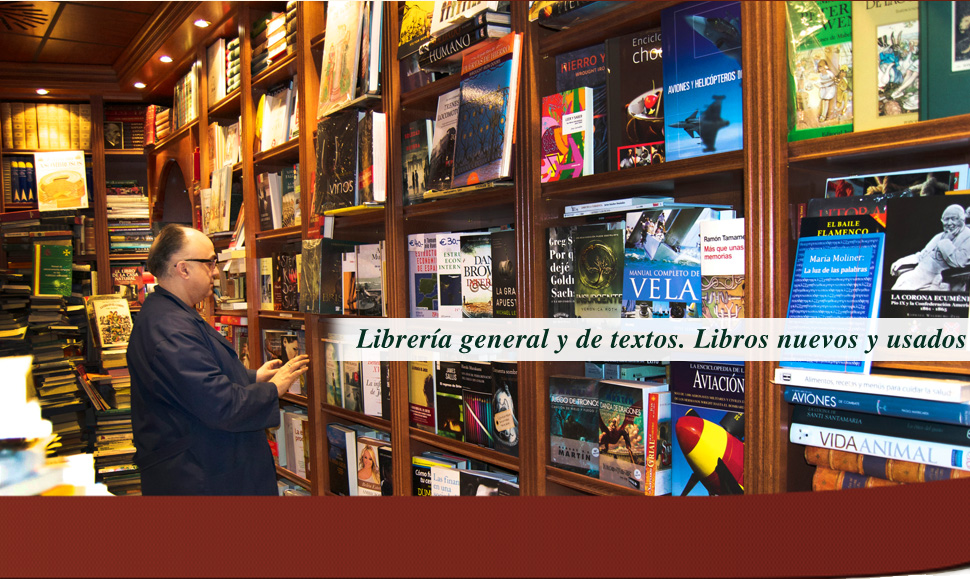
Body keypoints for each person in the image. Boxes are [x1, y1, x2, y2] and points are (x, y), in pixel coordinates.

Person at [128, 224, 309, 495]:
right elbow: (220, 404)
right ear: (183, 268)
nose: (216, 271)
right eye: (210, 262)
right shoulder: (170, 329)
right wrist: (272, 389)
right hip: (199, 475)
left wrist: (253, 377)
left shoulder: (168, 314)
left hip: (200, 467)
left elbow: (197, 379)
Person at [891, 204, 970, 291]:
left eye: (954, 219)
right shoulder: (940, 236)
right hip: (921, 273)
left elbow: (959, 261)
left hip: (941, 278)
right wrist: (903, 261)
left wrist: (945, 242)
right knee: (900, 286)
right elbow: (922, 255)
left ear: (962, 219)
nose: (949, 223)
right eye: (946, 219)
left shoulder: (967, 236)